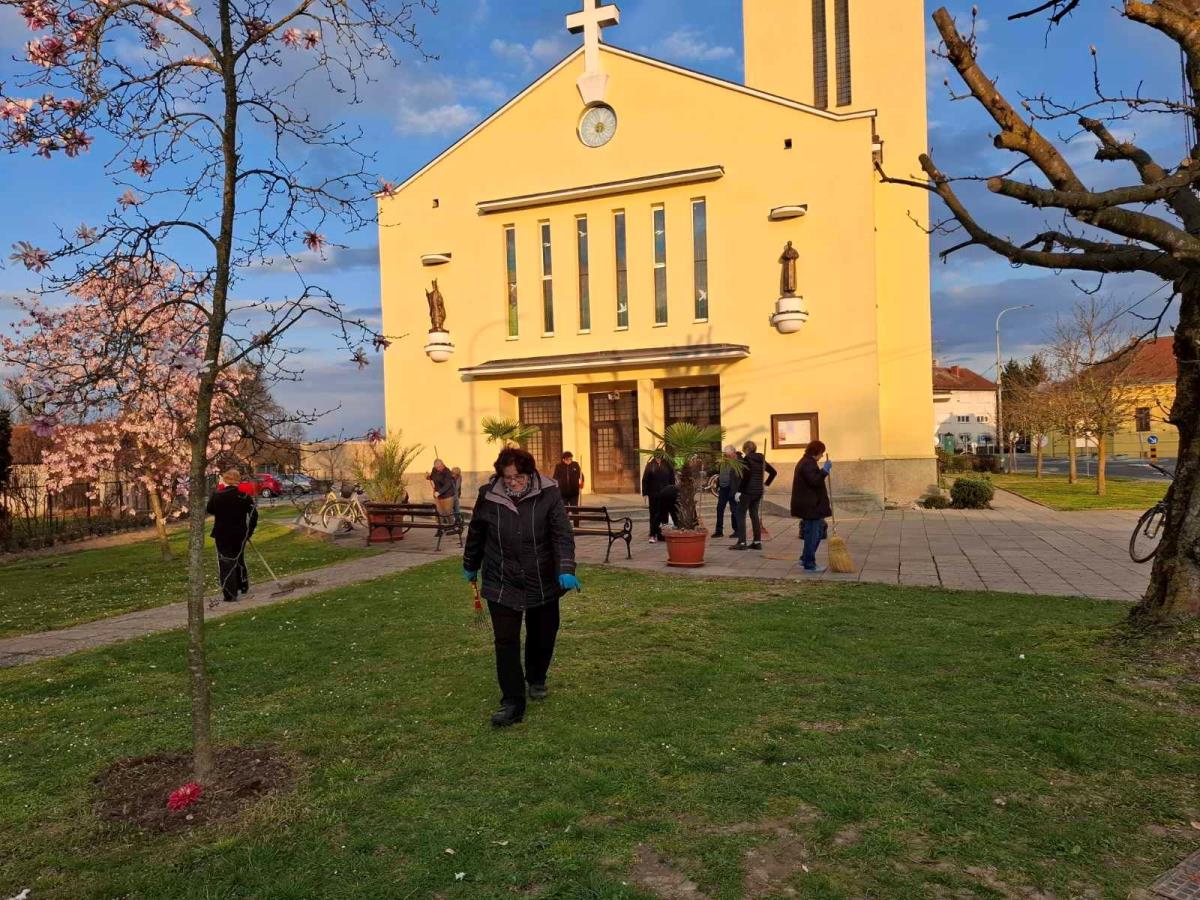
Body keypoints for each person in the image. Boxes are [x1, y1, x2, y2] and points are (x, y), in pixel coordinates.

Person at [463, 447, 580, 728]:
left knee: (543, 633)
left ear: (530, 474)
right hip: (501, 578)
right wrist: (470, 563)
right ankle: (512, 702)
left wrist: (565, 568)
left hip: (541, 577)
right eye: (508, 478)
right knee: (506, 641)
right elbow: (477, 531)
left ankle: (536, 677)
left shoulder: (549, 493)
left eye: (519, 477)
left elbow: (562, 534)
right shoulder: (488, 495)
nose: (513, 483)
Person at [206, 469, 259, 603]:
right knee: (239, 558)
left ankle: (230, 593)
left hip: (222, 534)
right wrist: (249, 531)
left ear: (225, 480)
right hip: (240, 533)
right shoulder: (244, 496)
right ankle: (242, 585)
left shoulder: (217, 496)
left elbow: (209, 509)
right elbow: (254, 514)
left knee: (226, 562)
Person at [790, 440, 833, 573]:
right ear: (816, 452)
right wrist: (824, 471)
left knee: (818, 531)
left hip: (811, 505)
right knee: (813, 535)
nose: (822, 456)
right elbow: (814, 481)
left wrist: (822, 471)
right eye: (821, 453)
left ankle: (805, 558)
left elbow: (813, 478)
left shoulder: (807, 462)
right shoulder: (807, 464)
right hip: (810, 506)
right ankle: (809, 563)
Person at [732, 440, 776, 551]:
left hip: (747, 492)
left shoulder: (747, 459)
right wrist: (766, 485)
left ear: (746, 449)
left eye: (744, 450)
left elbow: (746, 476)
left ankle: (742, 542)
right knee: (754, 515)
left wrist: (739, 491)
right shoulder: (761, 459)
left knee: (740, 514)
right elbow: (773, 472)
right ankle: (757, 542)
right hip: (758, 491)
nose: (744, 452)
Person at [641, 456, 676, 543]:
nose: (658, 458)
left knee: (664, 514)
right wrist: (645, 493)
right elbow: (645, 480)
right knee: (654, 514)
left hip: (665, 494)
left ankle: (661, 534)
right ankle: (652, 533)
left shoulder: (667, 465)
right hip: (653, 494)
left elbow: (672, 479)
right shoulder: (650, 465)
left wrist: (672, 491)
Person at [712, 445, 743, 539]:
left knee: (734, 509)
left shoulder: (739, 462)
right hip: (723, 488)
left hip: (733, 488)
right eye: (725, 455)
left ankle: (737, 531)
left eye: (728, 455)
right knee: (719, 508)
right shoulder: (723, 462)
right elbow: (720, 474)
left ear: (734, 453)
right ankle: (719, 531)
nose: (727, 457)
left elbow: (740, 477)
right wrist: (718, 485)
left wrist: (739, 490)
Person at [427, 459, 456, 524]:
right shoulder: (434, 469)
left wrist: (439, 492)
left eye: (439, 467)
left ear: (443, 464)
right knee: (439, 513)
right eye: (436, 467)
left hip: (447, 496)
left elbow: (448, 484)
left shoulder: (447, 471)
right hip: (438, 496)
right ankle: (440, 527)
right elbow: (433, 477)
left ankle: (451, 526)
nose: (438, 469)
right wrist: (428, 477)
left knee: (448, 513)